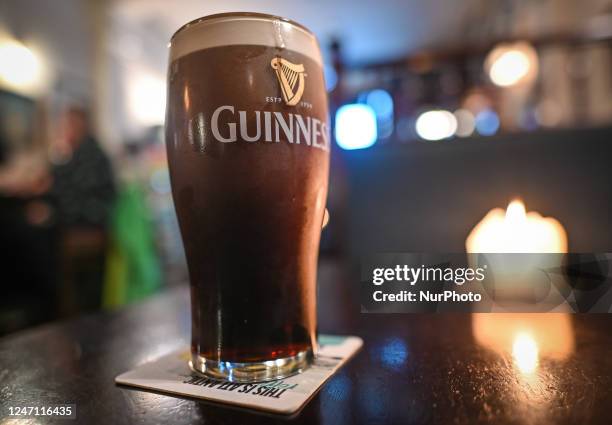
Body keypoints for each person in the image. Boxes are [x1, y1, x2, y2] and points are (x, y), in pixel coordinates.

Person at [50, 107, 116, 315]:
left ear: (81, 124)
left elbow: (73, 194)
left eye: (69, 124)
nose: (66, 129)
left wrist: (50, 211)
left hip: (89, 229)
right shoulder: (85, 152)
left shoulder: (89, 154)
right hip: (92, 227)